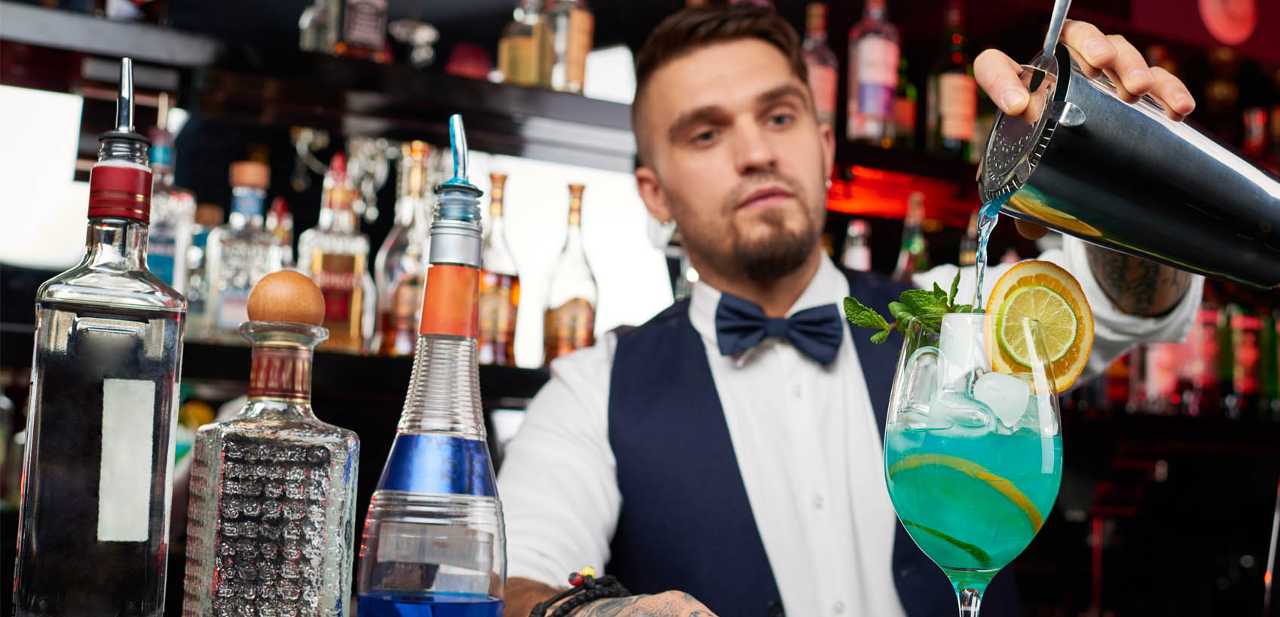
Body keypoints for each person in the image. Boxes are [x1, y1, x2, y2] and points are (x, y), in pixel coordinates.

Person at [499, 5, 1201, 616]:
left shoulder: (949, 315)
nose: (756, 152)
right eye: (706, 134)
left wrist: (1122, 161)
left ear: (825, 145)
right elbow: (507, 580)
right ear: (654, 193)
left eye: (779, 117)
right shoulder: (591, 392)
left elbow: (1123, 301)